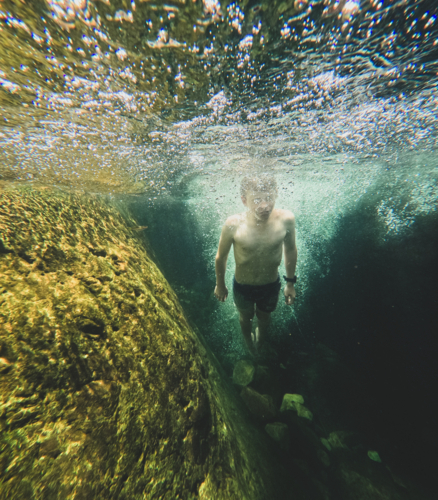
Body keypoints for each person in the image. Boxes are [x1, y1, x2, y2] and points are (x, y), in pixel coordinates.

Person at [214, 174, 297, 355]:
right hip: (243, 286)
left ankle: (260, 340)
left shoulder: (286, 220)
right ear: (244, 201)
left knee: (265, 317)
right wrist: (220, 285)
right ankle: (247, 341)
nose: (264, 206)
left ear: (275, 194)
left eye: (269, 198)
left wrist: (290, 284)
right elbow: (221, 257)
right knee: (245, 317)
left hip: (270, 286)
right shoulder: (233, 224)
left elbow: (290, 250)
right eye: (257, 200)